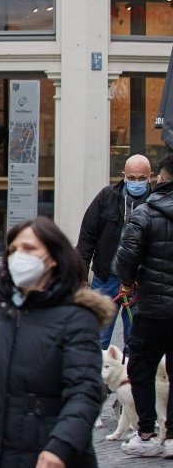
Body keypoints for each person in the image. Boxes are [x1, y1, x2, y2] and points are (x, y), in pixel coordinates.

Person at [0, 215, 110, 467]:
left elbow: (84, 392)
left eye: (29, 249)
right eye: (13, 250)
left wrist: (60, 447)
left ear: (54, 258)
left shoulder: (77, 318)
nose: (18, 256)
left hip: (45, 454)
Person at [113, 153, 173, 458]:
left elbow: (125, 260)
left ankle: (147, 433)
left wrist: (129, 281)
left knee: (140, 367)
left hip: (151, 307)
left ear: (158, 179)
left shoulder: (145, 214)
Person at [76, 153, 150, 351]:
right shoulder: (107, 197)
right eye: (132, 177)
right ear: (123, 175)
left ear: (150, 176)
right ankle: (93, 380)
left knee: (136, 341)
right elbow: (87, 238)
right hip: (106, 277)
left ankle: (131, 380)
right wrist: (81, 275)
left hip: (139, 283)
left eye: (142, 178)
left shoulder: (155, 202)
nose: (136, 182)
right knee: (96, 338)